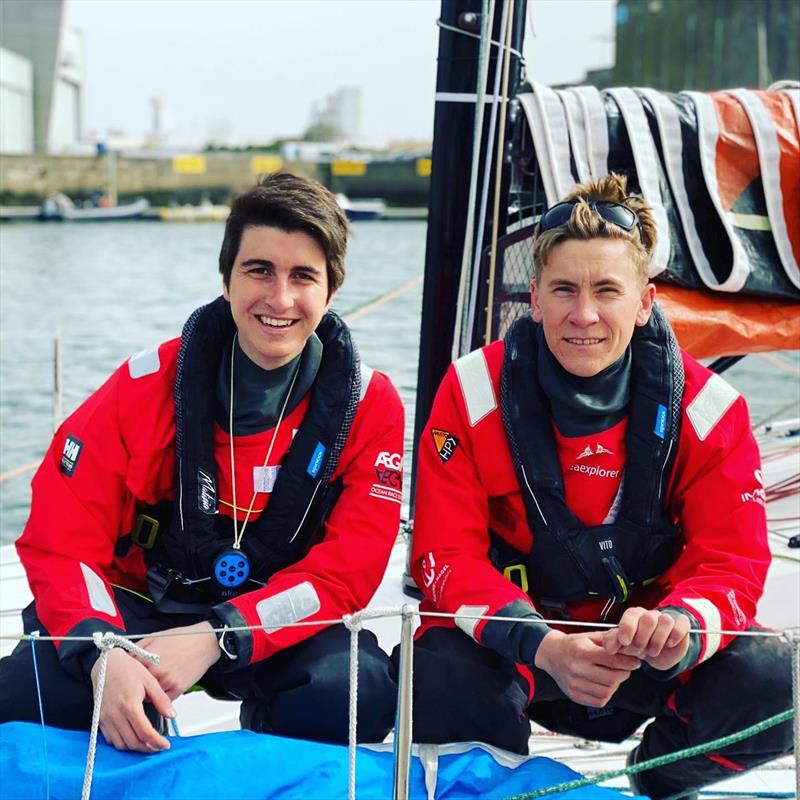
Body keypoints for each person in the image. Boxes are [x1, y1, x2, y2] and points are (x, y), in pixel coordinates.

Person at [406, 173, 792, 799]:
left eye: (607, 290)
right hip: (525, 654)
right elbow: (443, 558)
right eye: (564, 289)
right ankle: (496, 787)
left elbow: (733, 563)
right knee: (437, 669)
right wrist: (544, 645)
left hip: (647, 660)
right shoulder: (472, 393)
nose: (582, 314)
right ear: (534, 298)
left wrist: (679, 629)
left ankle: (653, 782)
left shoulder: (711, 411)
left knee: (776, 677)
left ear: (644, 302)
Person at [0, 172, 403, 753]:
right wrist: (100, 652)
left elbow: (345, 571)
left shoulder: (369, 406)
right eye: (259, 269)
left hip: (271, 618)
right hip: (138, 609)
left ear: (331, 291)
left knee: (351, 691)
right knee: (25, 695)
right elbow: (61, 540)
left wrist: (225, 633)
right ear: (226, 278)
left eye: (303, 276)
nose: (280, 298)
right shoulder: (142, 387)